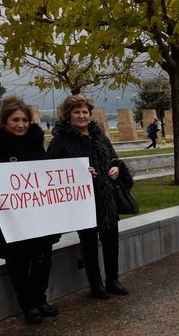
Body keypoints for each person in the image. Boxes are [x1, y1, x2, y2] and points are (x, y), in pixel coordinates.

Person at [0, 98, 60, 324]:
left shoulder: (35, 142)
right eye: (15, 120)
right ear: (5, 120)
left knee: (44, 256)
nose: (21, 124)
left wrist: (80, 174)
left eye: (24, 120)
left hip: (38, 213)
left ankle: (41, 299)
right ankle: (28, 305)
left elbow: (47, 173)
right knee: (17, 261)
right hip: (9, 216)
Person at [48, 94, 133, 299]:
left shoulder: (100, 136)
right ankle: (95, 284)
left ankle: (113, 279)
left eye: (85, 112)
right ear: (68, 115)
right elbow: (51, 172)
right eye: (76, 112)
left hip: (107, 197)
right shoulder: (59, 141)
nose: (81, 115)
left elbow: (114, 159)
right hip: (82, 201)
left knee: (111, 240)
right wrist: (79, 174)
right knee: (89, 244)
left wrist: (115, 168)